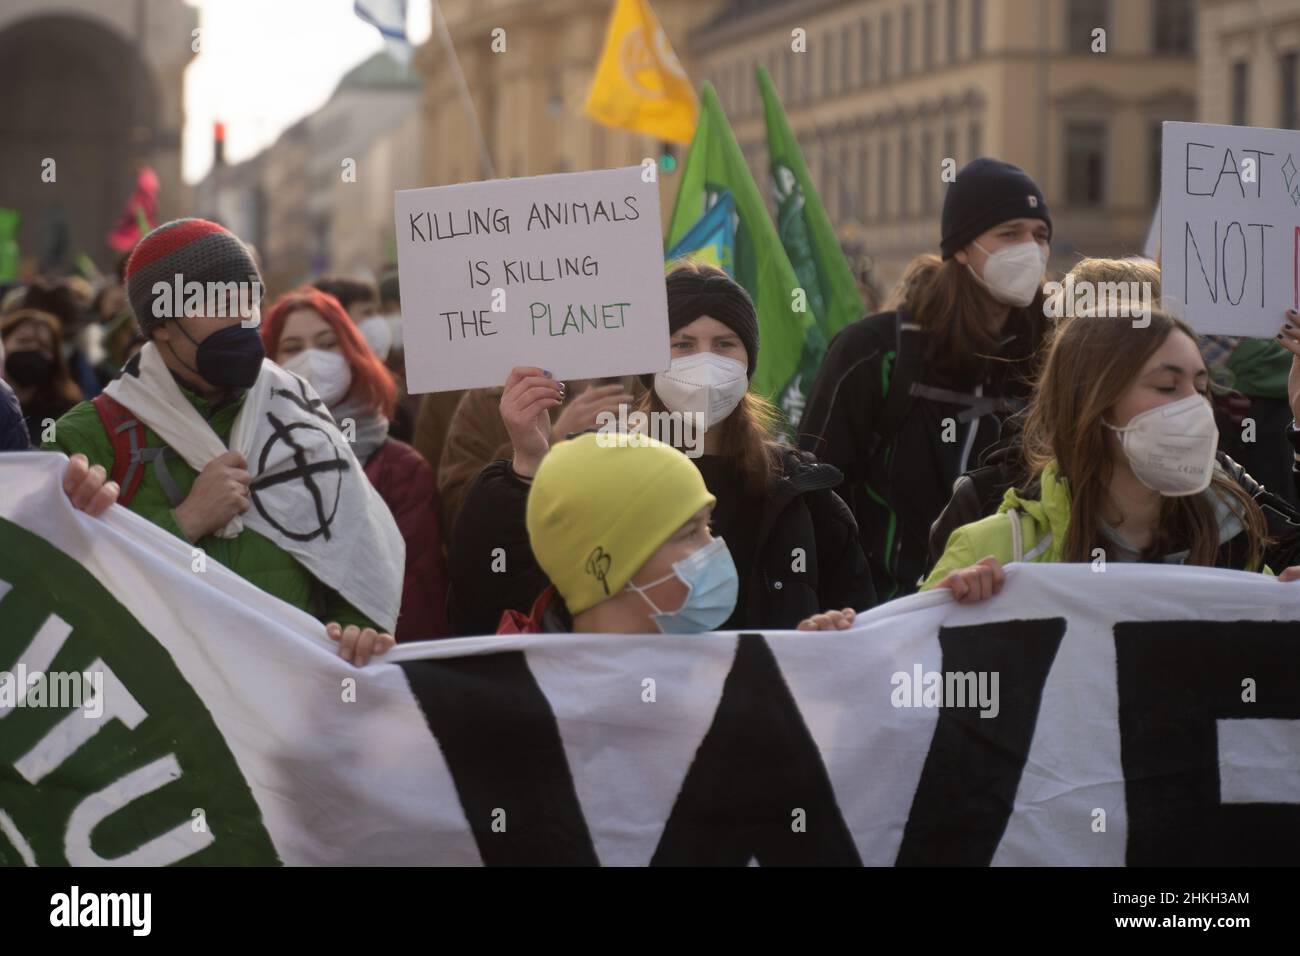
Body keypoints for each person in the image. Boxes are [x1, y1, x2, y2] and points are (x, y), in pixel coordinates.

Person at [43, 218, 399, 666]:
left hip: (292, 696)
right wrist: (183, 521)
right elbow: (48, 585)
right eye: (219, 303)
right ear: (161, 326)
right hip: (164, 710)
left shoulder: (297, 407)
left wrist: (356, 630)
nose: (242, 319)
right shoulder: (87, 434)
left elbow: (354, 547)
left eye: (249, 302)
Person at [448, 264, 872, 635]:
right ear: (651, 362)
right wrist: (530, 465)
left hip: (761, 719)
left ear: (748, 360)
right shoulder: (597, 474)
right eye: (683, 345)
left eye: (724, 344)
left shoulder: (805, 500)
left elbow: (863, 635)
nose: (705, 362)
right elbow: (493, 597)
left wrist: (826, 638)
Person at [799, 157, 1053, 603]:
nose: (1031, 249)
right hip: (888, 616)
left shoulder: (1051, 358)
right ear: (961, 247)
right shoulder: (874, 352)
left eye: (1040, 235)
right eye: (1010, 233)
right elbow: (815, 492)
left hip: (1005, 617)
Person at [923, 309, 1300, 602]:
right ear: (1093, 403)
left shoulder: (1234, 547)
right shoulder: (993, 550)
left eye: (1201, 387)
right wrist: (955, 615)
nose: (1195, 406)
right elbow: (909, 677)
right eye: (1168, 386)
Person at [498, 431, 856, 635]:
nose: (715, 547)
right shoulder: (530, 702)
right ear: (605, 566)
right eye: (689, 534)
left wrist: (805, 671)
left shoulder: (709, 668)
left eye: (708, 527)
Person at [261, 286, 449, 640]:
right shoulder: (249, 460)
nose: (312, 358)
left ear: (350, 352)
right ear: (271, 362)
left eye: (327, 343)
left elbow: (415, 604)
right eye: (293, 348)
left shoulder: (402, 470)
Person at [437, 373, 637, 556]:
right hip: (526, 575)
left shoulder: (651, 388)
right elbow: (456, 517)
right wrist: (544, 446)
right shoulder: (485, 401)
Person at [2, 308, 83, 440]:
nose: (33, 348)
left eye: (44, 346)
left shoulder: (65, 414)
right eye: (24, 341)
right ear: (3, 345)